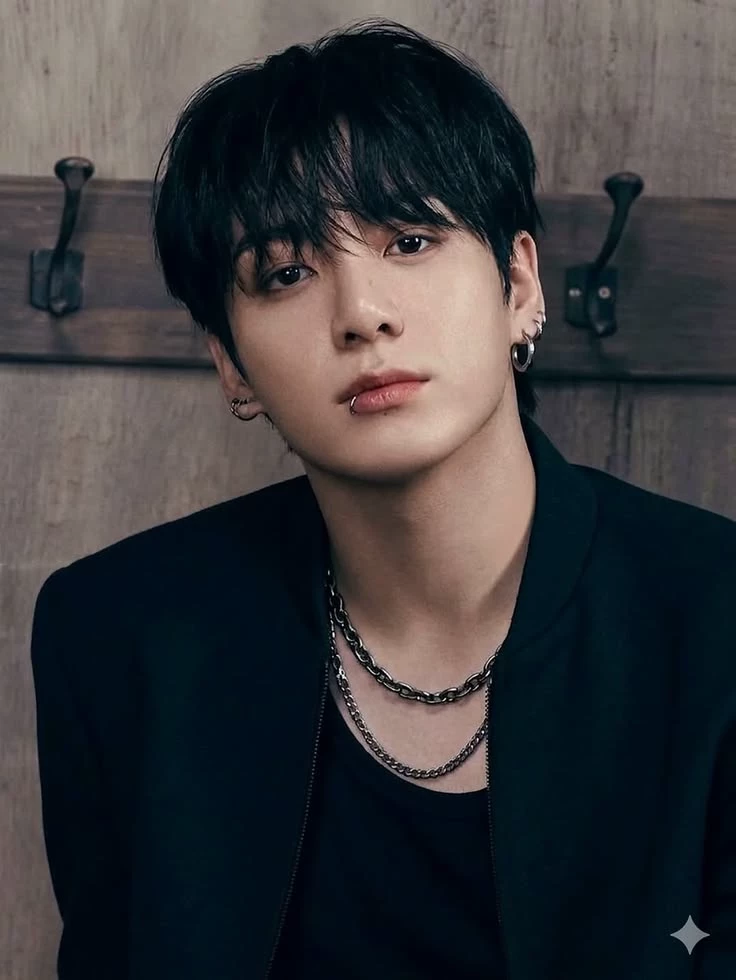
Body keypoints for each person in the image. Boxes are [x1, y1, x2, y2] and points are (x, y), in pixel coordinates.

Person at [30, 18, 735, 980]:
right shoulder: (119, 634)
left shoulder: (715, 618)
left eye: (409, 239)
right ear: (231, 364)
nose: (362, 314)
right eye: (287, 273)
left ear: (519, 285)